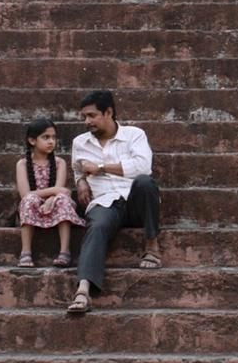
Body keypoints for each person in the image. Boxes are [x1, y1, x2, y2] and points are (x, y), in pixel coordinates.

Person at [66, 89, 163, 315]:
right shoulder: (80, 142)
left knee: (145, 183)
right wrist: (80, 182)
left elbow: (142, 167)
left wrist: (100, 168)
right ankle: (83, 290)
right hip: (104, 203)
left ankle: (152, 247)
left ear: (108, 112)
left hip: (134, 201)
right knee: (97, 226)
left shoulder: (134, 135)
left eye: (92, 116)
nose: (87, 121)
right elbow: (77, 168)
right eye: (84, 117)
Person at [15, 118, 84, 268]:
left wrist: (53, 197)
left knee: (63, 200)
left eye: (53, 137)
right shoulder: (22, 164)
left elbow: (60, 190)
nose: (51, 141)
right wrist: (54, 191)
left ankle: (64, 251)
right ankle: (25, 252)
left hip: (54, 203)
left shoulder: (60, 163)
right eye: (46, 137)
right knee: (29, 201)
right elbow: (25, 194)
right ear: (32, 140)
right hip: (35, 205)